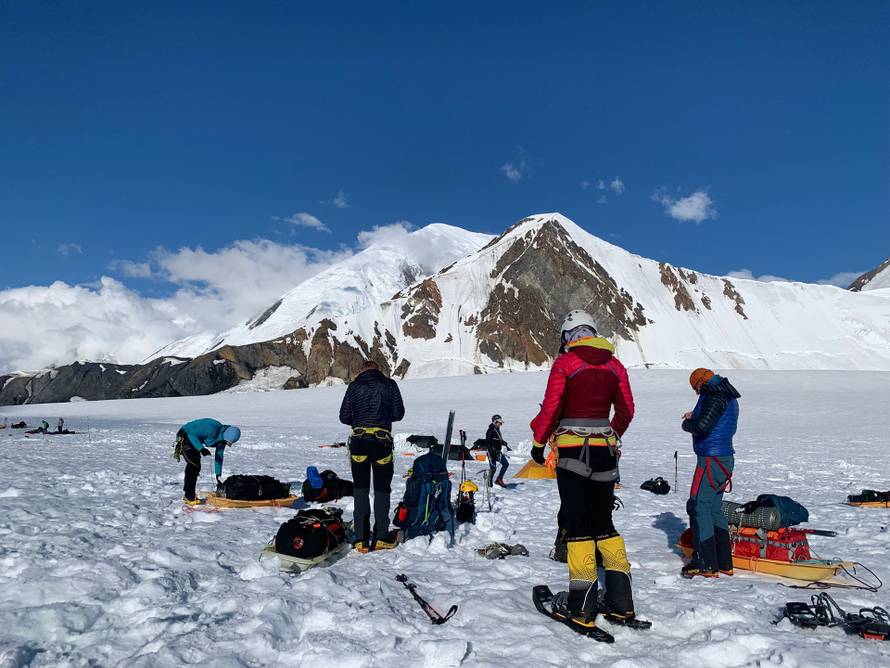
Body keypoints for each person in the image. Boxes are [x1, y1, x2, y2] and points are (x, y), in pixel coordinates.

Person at [530, 310, 637, 629]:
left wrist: (538, 443)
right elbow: (627, 410)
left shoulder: (566, 363)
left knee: (577, 525)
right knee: (605, 524)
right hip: (605, 451)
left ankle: (581, 606)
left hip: (572, 450)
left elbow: (552, 407)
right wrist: (611, 434)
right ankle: (621, 603)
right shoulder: (615, 365)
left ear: (568, 337)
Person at [339, 360, 405, 551]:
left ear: (361, 370)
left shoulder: (354, 386)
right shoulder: (389, 384)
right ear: (378, 370)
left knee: (360, 490)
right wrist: (383, 416)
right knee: (382, 490)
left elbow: (344, 417)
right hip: (382, 442)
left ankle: (361, 539)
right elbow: (398, 414)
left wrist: (359, 419)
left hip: (359, 443)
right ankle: (381, 536)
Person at [680, 368, 740, 578]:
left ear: (701, 383)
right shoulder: (726, 394)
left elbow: (703, 427)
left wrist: (687, 423)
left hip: (711, 459)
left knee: (699, 507)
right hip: (723, 457)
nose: (697, 393)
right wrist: (695, 414)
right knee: (714, 508)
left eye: (696, 388)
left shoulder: (713, 396)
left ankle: (706, 563)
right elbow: (714, 420)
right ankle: (723, 562)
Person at [174, 418, 241, 504]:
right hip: (185, 435)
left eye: (227, 442)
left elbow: (219, 457)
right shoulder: (212, 427)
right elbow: (191, 434)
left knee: (195, 466)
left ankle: (188, 495)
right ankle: (189, 496)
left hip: (194, 440)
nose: (225, 443)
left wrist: (218, 476)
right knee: (194, 465)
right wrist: (201, 449)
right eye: (225, 440)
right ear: (225, 434)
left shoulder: (222, 441)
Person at [486, 414, 511, 487]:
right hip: (491, 453)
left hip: (497, 452)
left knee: (506, 464)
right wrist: (491, 451)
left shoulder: (497, 429)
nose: (500, 424)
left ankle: (499, 479)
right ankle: (489, 482)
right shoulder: (490, 431)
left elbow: (498, 439)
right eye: (499, 423)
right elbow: (488, 443)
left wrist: (505, 444)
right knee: (493, 469)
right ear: (494, 422)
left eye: (501, 423)